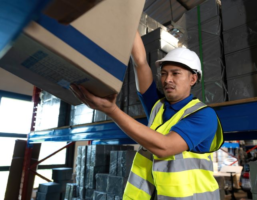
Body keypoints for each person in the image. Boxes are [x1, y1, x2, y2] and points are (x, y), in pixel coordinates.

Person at [71, 32, 224, 200]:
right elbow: (140, 62)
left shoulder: (203, 116)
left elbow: (164, 147)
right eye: (164, 73)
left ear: (193, 79)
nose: (167, 80)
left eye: (175, 73)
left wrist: (111, 110)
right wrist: (128, 20)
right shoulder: (158, 107)